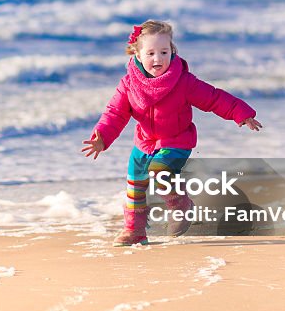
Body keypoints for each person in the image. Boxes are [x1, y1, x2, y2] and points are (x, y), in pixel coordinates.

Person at [81, 20, 262, 246]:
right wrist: (102, 137)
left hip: (177, 140)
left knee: (159, 171)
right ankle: (134, 230)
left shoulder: (183, 81)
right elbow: (115, 113)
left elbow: (213, 98)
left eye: (164, 52)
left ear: (172, 51)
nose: (158, 59)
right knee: (135, 183)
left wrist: (241, 113)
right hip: (144, 142)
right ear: (137, 54)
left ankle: (180, 205)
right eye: (151, 53)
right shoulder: (129, 84)